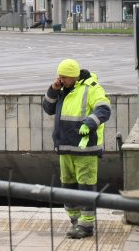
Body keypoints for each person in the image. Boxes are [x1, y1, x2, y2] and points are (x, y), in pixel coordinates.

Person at [42, 59, 112, 239]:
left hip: (85, 149)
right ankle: (75, 221)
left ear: (73, 76)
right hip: (65, 147)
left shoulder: (92, 87)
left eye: (63, 77)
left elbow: (104, 109)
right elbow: (48, 108)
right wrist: (53, 89)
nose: (60, 79)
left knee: (86, 187)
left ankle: (86, 225)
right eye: (59, 76)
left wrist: (90, 123)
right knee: (68, 186)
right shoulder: (63, 90)